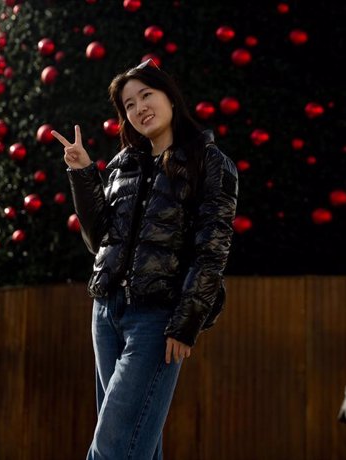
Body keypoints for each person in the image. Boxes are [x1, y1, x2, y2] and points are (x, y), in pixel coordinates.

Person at [52, 59, 238, 459]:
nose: (139, 108)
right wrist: (85, 175)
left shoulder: (209, 162)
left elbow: (213, 247)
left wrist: (187, 321)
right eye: (128, 104)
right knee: (138, 443)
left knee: (113, 446)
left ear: (170, 96)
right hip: (105, 313)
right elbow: (98, 239)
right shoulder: (123, 165)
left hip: (157, 318)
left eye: (146, 95)